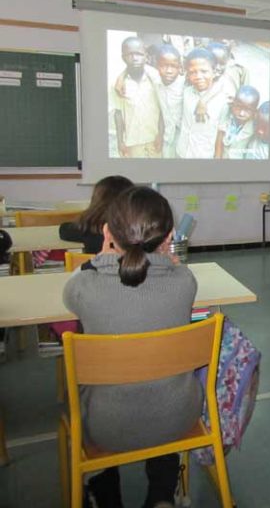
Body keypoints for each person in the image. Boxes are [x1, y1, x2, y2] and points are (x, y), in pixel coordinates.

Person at [63, 187, 201, 508]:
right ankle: (162, 496)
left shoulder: (83, 287)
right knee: (163, 389)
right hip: (178, 419)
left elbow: (74, 287)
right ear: (169, 236)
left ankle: (107, 498)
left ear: (108, 232)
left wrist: (103, 256)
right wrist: (170, 260)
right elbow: (171, 272)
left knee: (90, 397)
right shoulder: (185, 282)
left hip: (107, 428)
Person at [113, 36, 164, 158]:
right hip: (133, 141)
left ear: (146, 56)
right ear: (123, 57)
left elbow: (163, 108)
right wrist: (120, 141)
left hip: (154, 138)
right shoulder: (118, 84)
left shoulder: (156, 76)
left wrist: (161, 135)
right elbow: (118, 113)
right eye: (129, 54)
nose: (135, 58)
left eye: (139, 54)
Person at [175, 48, 230, 159]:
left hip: (203, 154)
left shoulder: (224, 101)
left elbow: (221, 130)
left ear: (214, 72)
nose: (198, 76)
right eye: (192, 72)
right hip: (181, 150)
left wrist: (218, 155)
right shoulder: (186, 91)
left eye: (204, 71)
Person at [59, 175, 135, 254]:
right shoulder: (137, 229)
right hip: (131, 265)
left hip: (93, 266)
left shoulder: (86, 229)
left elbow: (63, 229)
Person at [215, 85, 267, 160]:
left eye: (248, 110)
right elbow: (220, 135)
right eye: (238, 107)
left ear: (254, 111)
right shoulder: (226, 112)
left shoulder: (255, 122)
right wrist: (217, 157)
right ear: (233, 104)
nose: (241, 113)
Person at [153, 44, 184, 158]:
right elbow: (162, 110)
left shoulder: (186, 85)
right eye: (164, 66)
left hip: (184, 140)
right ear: (157, 66)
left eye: (173, 66)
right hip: (168, 137)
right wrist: (160, 135)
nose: (169, 71)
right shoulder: (157, 84)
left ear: (180, 67)